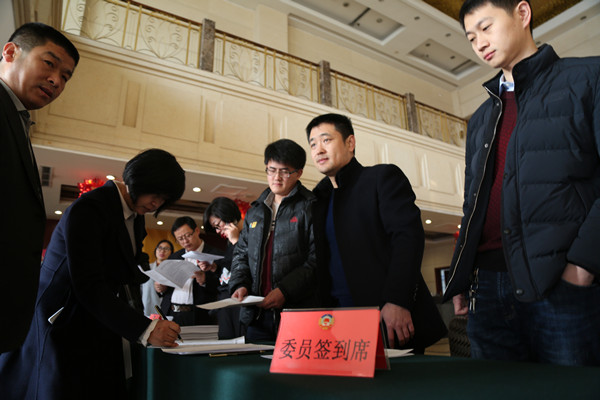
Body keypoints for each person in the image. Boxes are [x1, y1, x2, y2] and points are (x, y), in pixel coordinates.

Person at [443, 0, 600, 366]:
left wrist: (582, 266)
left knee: (570, 390)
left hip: (560, 285)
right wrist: (462, 272)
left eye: (486, 27)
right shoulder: (479, 119)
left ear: (523, 14)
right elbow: (473, 204)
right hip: (486, 287)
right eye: (471, 38)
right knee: (498, 389)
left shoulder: (588, 77)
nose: (479, 43)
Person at [0, 149, 185, 399]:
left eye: (164, 200)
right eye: (156, 194)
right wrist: (146, 329)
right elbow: (87, 283)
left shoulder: (135, 216)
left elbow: (126, 268)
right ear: (138, 178)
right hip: (63, 315)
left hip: (97, 315)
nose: (156, 204)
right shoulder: (90, 208)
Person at [307, 113, 447, 352]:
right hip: (336, 321)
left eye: (326, 140)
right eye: (312, 144)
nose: (318, 149)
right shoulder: (318, 199)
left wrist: (398, 300)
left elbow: (408, 239)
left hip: (387, 317)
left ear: (350, 143)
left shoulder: (381, 178)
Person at [0, 22, 79, 353]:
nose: (56, 81)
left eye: (65, 77)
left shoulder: (17, 119)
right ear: (10, 52)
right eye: (49, 63)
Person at [229, 139, 317, 342]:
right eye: (271, 170)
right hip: (257, 315)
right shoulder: (255, 211)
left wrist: (285, 291)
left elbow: (316, 260)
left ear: (299, 173)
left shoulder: (311, 207)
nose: (276, 177)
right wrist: (240, 284)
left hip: (296, 313)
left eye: (285, 171)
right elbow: (241, 254)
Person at [159, 216, 222, 325]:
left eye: (188, 235)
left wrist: (205, 280)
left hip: (200, 315)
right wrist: (161, 288)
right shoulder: (174, 257)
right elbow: (167, 287)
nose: (185, 241)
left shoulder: (216, 254)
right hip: (171, 312)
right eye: (180, 239)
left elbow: (224, 284)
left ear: (197, 231)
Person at [204, 197, 244, 339]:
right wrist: (214, 268)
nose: (217, 231)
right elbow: (230, 269)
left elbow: (247, 265)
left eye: (218, 225)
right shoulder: (229, 241)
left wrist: (236, 242)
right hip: (226, 300)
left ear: (228, 216)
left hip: (239, 301)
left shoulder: (246, 236)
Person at [141, 239, 174, 317]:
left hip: (164, 308)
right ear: (156, 250)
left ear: (171, 252)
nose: (162, 251)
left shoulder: (173, 270)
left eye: (166, 249)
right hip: (146, 306)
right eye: (160, 248)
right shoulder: (146, 267)